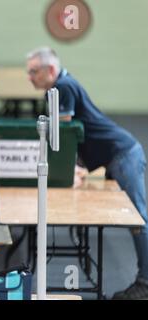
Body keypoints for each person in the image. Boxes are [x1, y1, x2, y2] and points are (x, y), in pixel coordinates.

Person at [26, 47, 148, 299]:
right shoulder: (62, 84)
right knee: (136, 219)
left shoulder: (64, 86)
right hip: (112, 156)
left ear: (50, 70)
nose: (30, 77)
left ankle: (145, 282)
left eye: (34, 71)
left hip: (122, 155)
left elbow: (64, 130)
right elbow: (76, 135)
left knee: (139, 221)